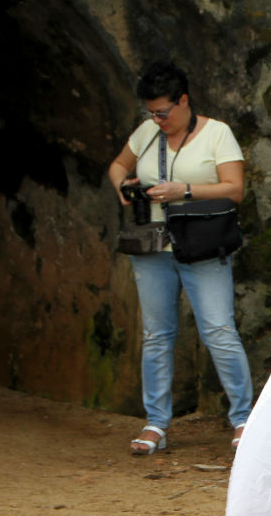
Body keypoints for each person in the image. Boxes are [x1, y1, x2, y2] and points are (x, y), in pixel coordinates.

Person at [107, 60, 254, 455]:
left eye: (163, 112)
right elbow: (118, 164)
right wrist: (123, 186)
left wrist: (184, 190)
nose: (157, 120)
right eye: (151, 112)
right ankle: (156, 422)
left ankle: (243, 419)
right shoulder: (147, 133)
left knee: (219, 332)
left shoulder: (217, 134)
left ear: (183, 101)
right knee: (156, 335)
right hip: (153, 247)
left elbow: (234, 189)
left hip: (203, 245)